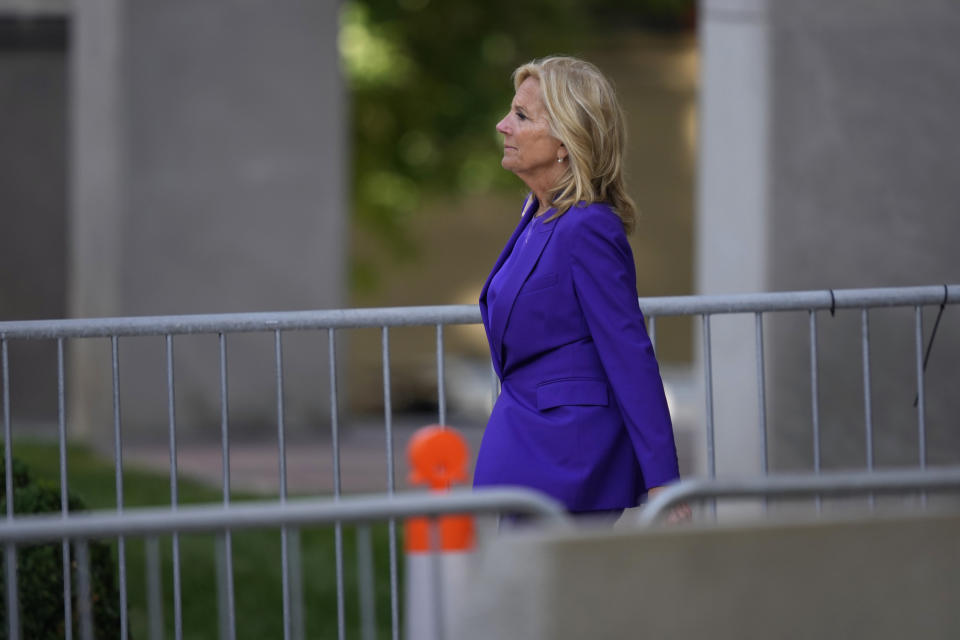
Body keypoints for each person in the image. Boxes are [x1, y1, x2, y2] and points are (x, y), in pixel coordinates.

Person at [473, 55, 688, 522]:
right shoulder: (536, 215)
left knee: (551, 595)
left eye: (522, 116)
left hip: (572, 458)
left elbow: (629, 352)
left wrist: (663, 481)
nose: (503, 125)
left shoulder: (588, 227)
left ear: (565, 143)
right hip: (529, 444)